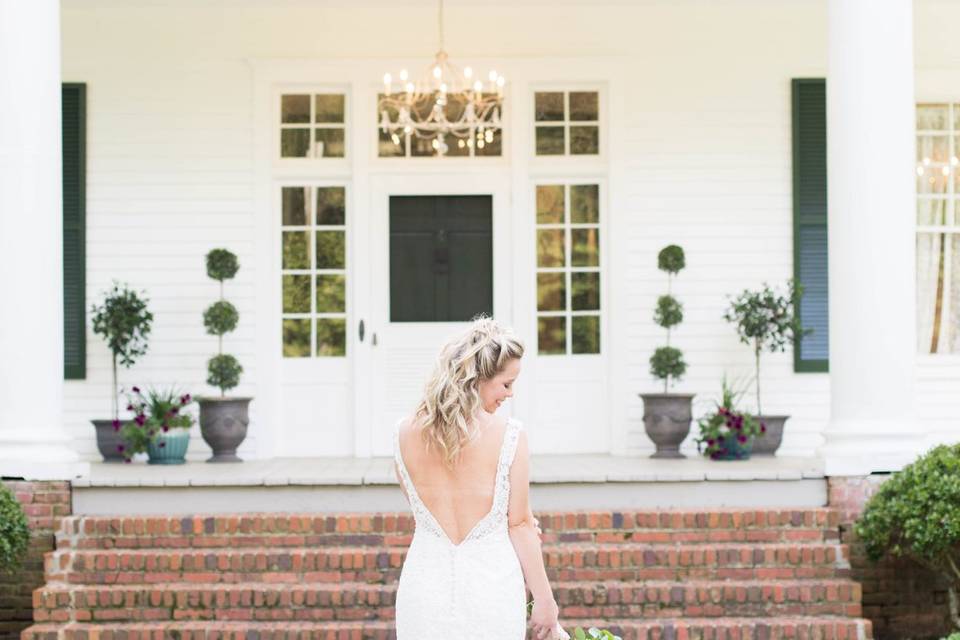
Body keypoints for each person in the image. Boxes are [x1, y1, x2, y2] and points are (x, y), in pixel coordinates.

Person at [393, 316, 567, 640]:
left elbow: (424, 512)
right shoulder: (510, 435)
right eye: (506, 384)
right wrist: (545, 600)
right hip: (491, 588)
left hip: (423, 590)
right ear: (478, 379)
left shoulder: (403, 434)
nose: (510, 394)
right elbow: (519, 525)